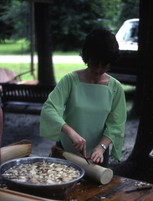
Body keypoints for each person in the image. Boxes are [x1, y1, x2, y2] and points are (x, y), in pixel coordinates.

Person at [40, 28, 127, 167]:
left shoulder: (115, 88)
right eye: (94, 63)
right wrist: (69, 131)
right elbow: (49, 108)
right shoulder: (70, 81)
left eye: (104, 65)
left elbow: (116, 125)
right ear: (87, 58)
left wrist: (101, 148)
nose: (98, 70)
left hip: (97, 155)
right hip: (66, 151)